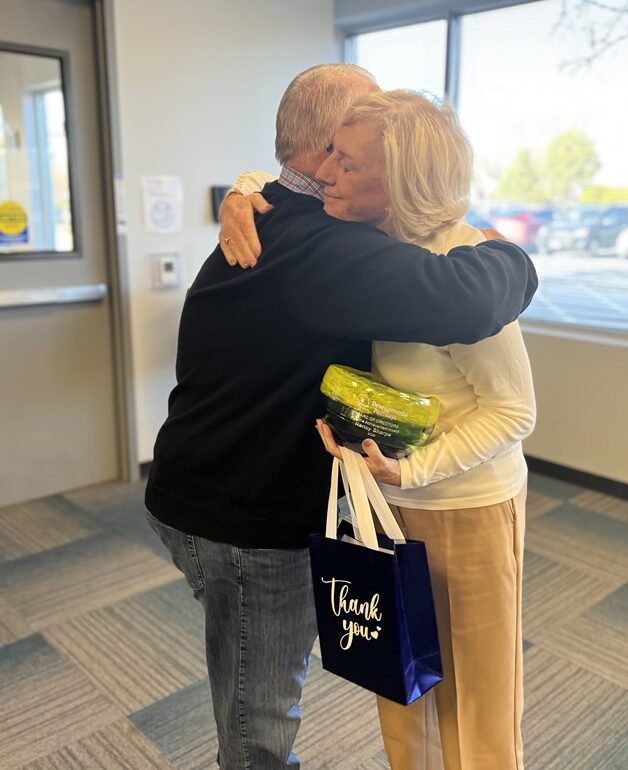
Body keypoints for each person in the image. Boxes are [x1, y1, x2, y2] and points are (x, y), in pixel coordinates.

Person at [146, 64, 537, 770]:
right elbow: (474, 298)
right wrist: (516, 255)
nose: (345, 161)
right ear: (334, 145)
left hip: (212, 484)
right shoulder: (330, 247)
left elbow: (510, 400)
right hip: (246, 518)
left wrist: (243, 187)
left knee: (436, 688)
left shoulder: (277, 211)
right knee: (260, 718)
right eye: (349, 144)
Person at [312, 91, 535, 770]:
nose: (326, 172)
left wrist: (413, 469)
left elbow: (515, 411)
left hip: (466, 508)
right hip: (390, 507)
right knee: (400, 679)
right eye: (330, 154)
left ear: (402, 181)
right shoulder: (373, 253)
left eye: (347, 164)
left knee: (475, 698)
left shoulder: (462, 269)